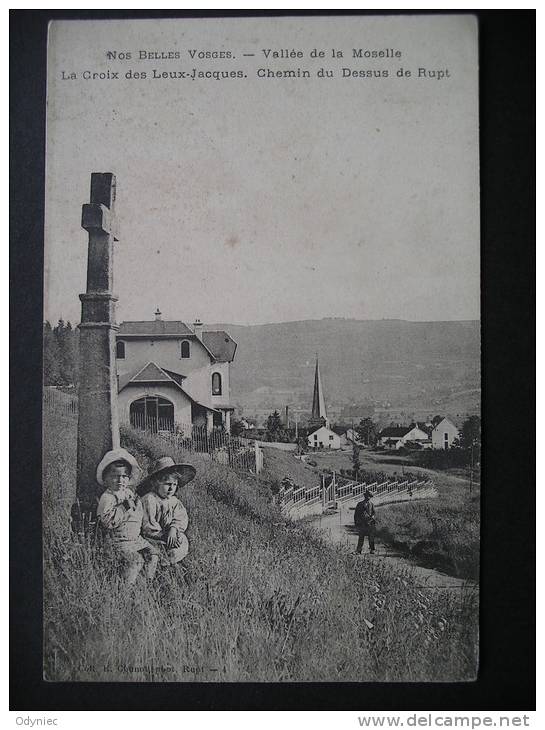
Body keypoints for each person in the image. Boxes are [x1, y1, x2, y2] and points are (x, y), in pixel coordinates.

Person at [96, 448, 157, 584]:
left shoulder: (128, 493)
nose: (120, 480)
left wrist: (136, 506)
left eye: (124, 476)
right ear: (105, 479)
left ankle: (146, 583)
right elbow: (106, 522)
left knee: (153, 554)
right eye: (114, 476)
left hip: (134, 538)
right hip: (118, 540)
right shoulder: (108, 497)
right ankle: (126, 588)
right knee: (135, 560)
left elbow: (137, 515)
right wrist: (123, 508)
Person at [139, 456, 196, 571]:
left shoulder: (174, 501)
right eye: (167, 484)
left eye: (174, 485)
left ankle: (170, 563)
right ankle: (158, 567)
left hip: (169, 534)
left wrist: (174, 528)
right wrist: (164, 536)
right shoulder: (150, 499)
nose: (171, 488)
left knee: (182, 540)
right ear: (156, 483)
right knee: (152, 552)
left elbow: (180, 517)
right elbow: (148, 525)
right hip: (152, 537)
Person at [354, 489, 376, 554]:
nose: (368, 497)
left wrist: (373, 517)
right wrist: (356, 523)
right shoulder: (360, 504)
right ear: (365, 496)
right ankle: (358, 550)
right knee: (361, 537)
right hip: (362, 523)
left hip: (369, 523)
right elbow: (356, 514)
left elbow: (374, 513)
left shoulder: (371, 504)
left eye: (370, 496)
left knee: (371, 537)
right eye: (367, 496)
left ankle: (372, 549)